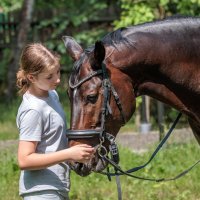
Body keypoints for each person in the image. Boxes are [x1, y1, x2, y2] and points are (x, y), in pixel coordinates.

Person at [16, 43, 95, 200]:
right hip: (41, 192)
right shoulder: (33, 110)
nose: (58, 79)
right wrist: (69, 153)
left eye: (58, 72)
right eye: (49, 76)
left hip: (57, 187)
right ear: (31, 77)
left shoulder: (51, 95)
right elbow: (24, 159)